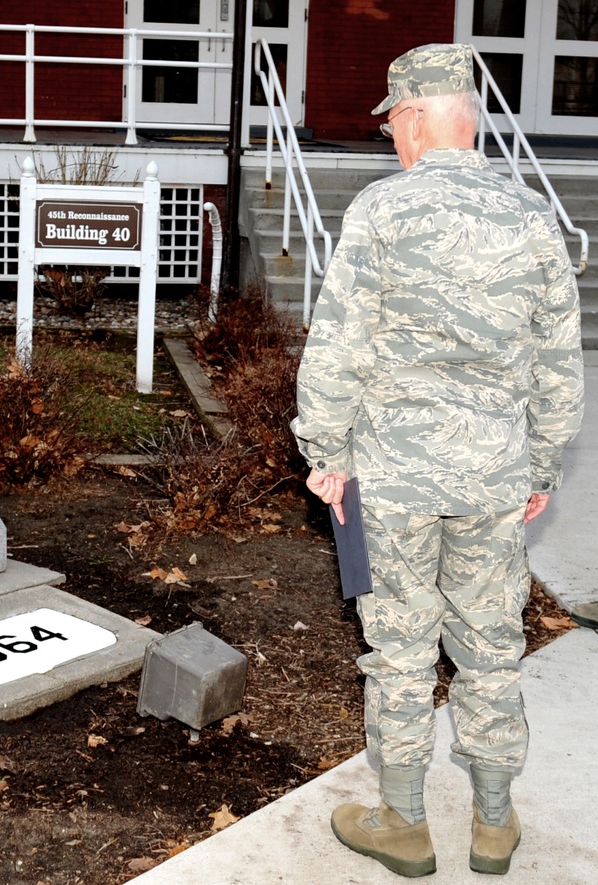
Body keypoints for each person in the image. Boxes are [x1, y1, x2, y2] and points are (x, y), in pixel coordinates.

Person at [290, 43, 584, 878]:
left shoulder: (383, 212)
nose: (390, 140)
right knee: (492, 643)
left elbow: (338, 345)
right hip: (493, 474)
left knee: (401, 649)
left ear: (417, 116)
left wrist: (326, 449)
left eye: (392, 124)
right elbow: (559, 363)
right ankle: (495, 825)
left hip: (394, 476)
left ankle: (404, 821)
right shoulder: (535, 218)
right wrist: (541, 467)